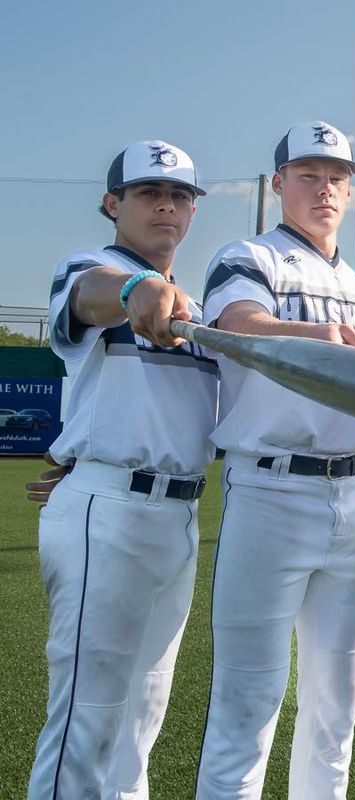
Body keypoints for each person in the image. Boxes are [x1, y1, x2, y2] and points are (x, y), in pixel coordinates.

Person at [194, 121, 355, 800]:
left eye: (338, 177)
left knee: (335, 717)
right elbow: (233, 326)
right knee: (247, 704)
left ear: (352, 190)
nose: (325, 188)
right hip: (272, 493)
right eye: (309, 174)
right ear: (278, 185)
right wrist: (312, 334)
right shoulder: (250, 257)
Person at [29, 140, 215, 800]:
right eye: (147, 193)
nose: (167, 204)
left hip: (178, 514)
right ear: (113, 204)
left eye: (180, 195)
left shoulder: (199, 302)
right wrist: (138, 286)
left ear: (192, 212)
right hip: (108, 508)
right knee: (89, 716)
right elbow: (90, 295)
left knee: (140, 719)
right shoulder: (96, 265)